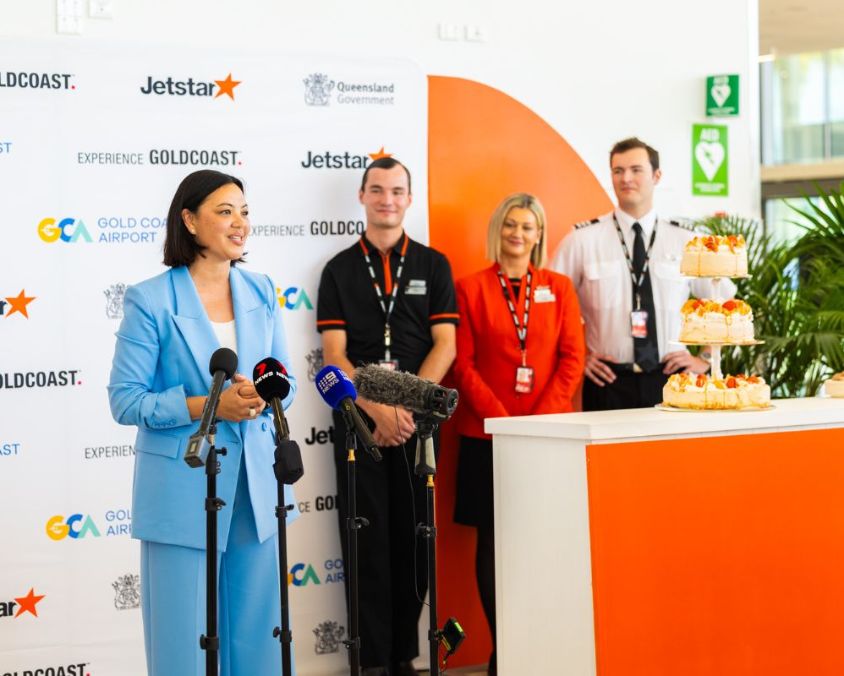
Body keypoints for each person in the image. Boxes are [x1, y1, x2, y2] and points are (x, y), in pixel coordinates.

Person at [108, 170, 297, 676]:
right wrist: (210, 406)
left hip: (257, 490)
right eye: (225, 211)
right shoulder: (150, 299)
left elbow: (286, 379)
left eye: (245, 211)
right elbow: (126, 401)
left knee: (259, 642)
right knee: (182, 646)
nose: (240, 224)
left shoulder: (261, 289)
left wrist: (263, 393)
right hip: (183, 487)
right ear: (189, 221)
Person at [316, 156, 458, 676]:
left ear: (409, 199)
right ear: (362, 196)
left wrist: (408, 403)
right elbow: (334, 356)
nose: (387, 199)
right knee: (365, 541)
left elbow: (446, 344)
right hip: (360, 421)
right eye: (377, 190)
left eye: (397, 191)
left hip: (418, 421)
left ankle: (404, 657)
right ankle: (371, 662)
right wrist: (376, 407)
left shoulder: (433, 265)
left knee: (414, 541)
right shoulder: (337, 270)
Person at [451, 193, 585, 675]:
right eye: (511, 224)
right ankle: (502, 651)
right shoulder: (469, 289)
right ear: (498, 229)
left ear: (539, 235)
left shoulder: (559, 287)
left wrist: (538, 424)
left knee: (542, 543)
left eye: (528, 226)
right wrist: (503, 420)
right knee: (491, 545)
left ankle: (537, 649)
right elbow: (462, 366)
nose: (518, 234)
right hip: (486, 436)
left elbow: (573, 359)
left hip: (547, 439)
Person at [550, 137, 734, 410]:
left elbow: (724, 303)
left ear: (656, 176)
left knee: (670, 455)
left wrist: (705, 358)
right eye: (618, 171)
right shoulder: (582, 240)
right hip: (607, 381)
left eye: (636, 170)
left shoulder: (686, 240)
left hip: (674, 379)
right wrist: (581, 356)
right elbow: (549, 308)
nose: (626, 178)